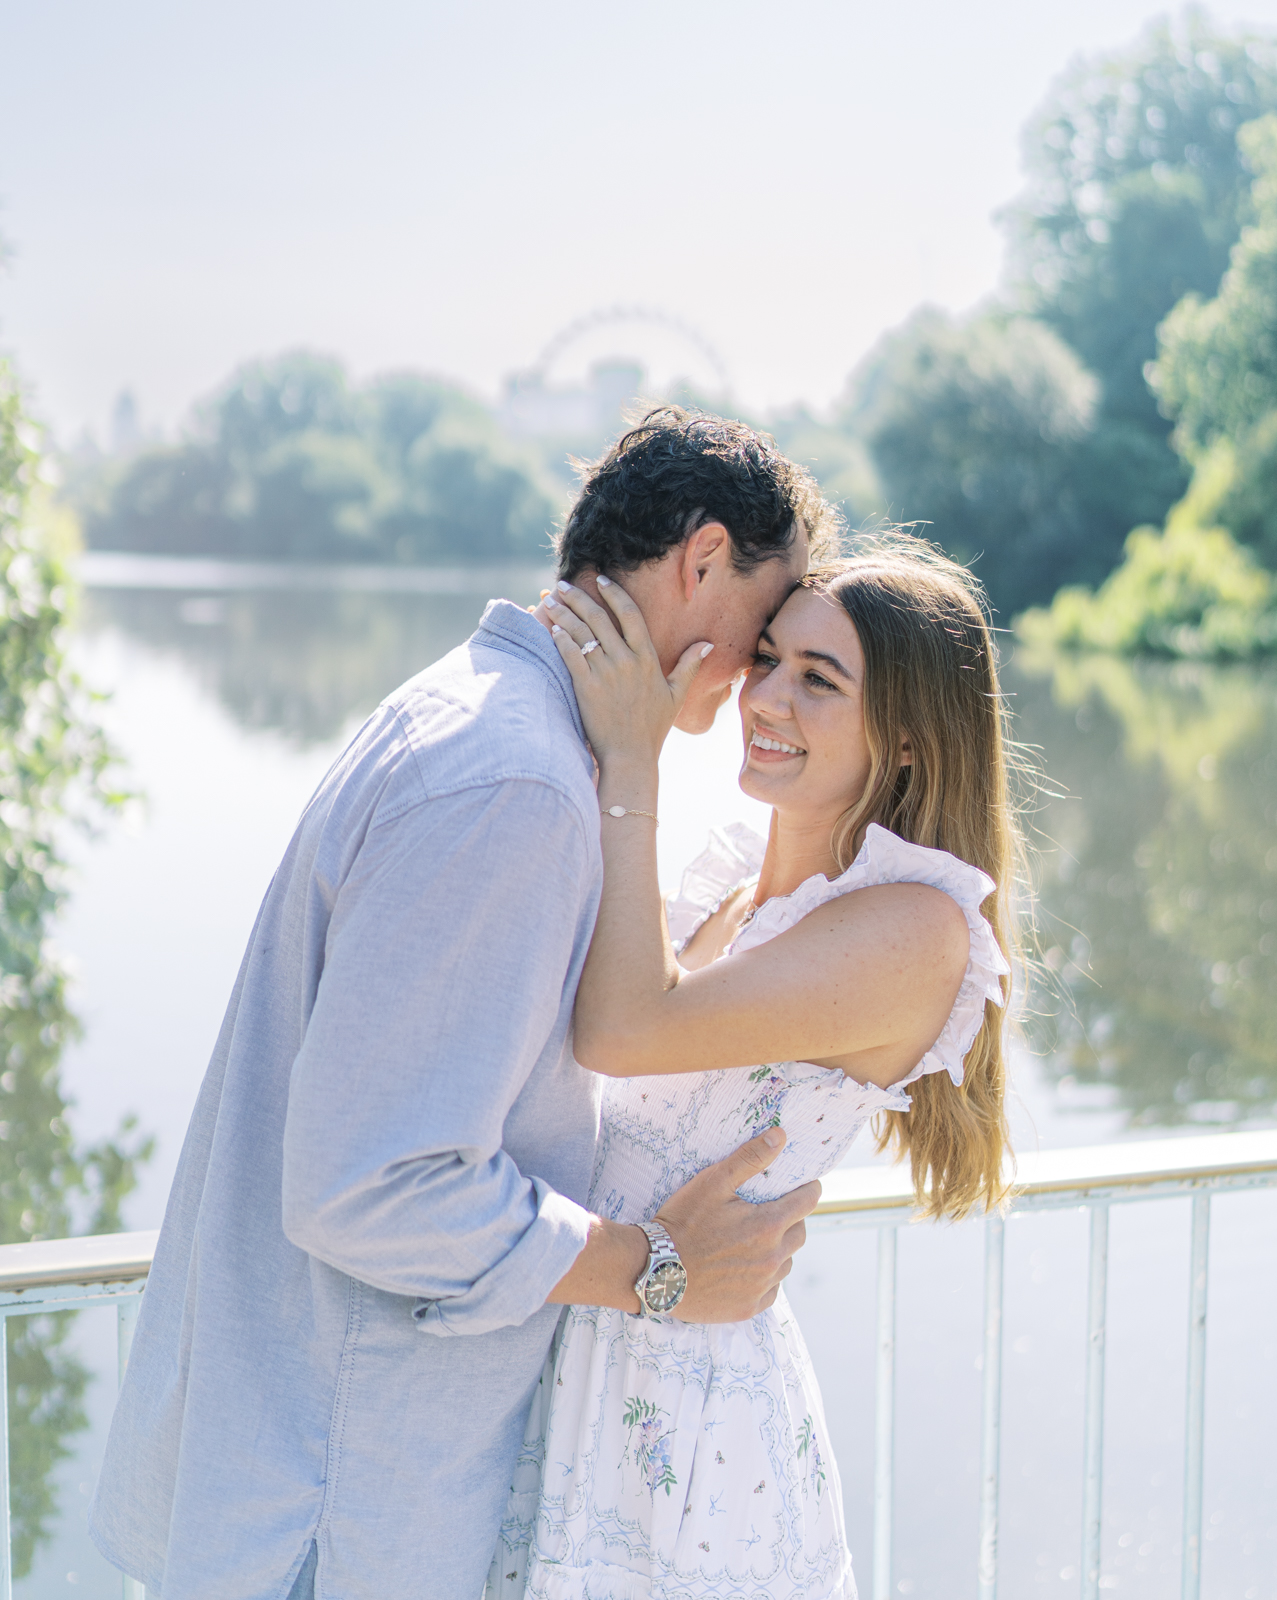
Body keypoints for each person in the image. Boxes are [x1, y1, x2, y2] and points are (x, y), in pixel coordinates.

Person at [88, 410, 839, 1600]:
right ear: (700, 561)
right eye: (766, 617)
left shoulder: (477, 715)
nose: (758, 669)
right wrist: (653, 1267)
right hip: (336, 1508)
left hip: (310, 1472)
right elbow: (371, 1181)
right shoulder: (517, 787)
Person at [487, 533, 1020, 1598]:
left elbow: (622, 1029)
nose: (764, 697)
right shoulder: (726, 888)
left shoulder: (915, 929)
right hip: (584, 1347)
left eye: (816, 680)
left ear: (907, 738)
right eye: (766, 658)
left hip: (689, 1419)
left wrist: (632, 753)